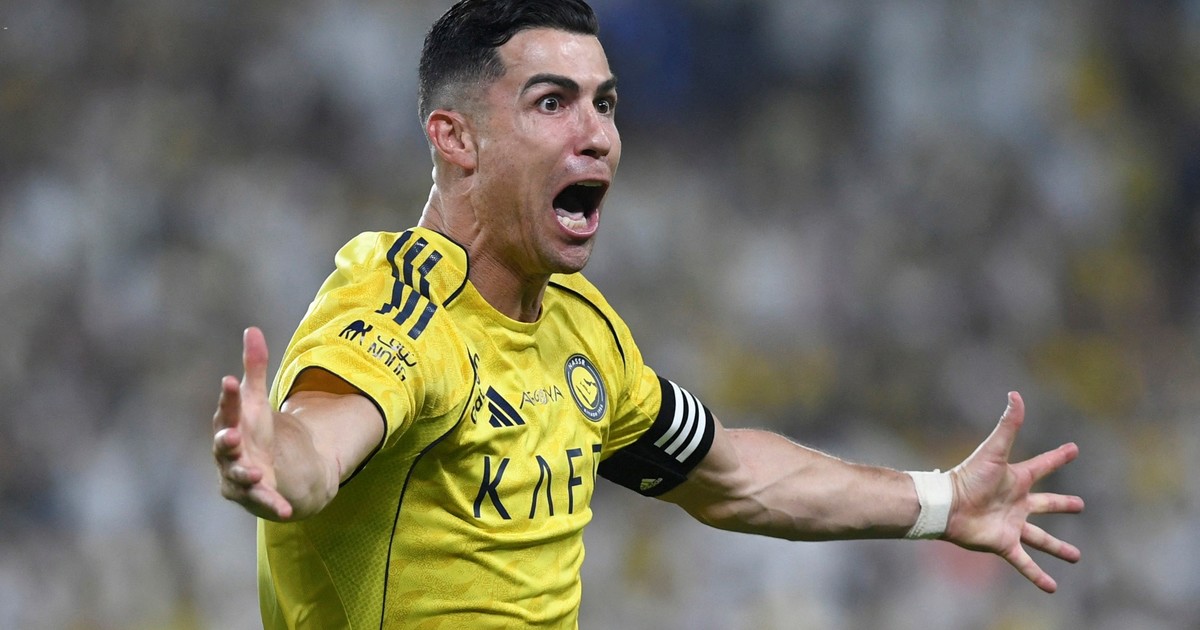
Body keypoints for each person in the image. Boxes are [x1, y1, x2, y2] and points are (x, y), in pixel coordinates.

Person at [211, 1, 1085, 627]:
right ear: (456, 138)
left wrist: (941, 500)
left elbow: (732, 477)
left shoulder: (579, 328)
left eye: (605, 103)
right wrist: (276, 459)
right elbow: (322, 444)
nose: (597, 134)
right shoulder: (402, 306)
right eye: (552, 102)